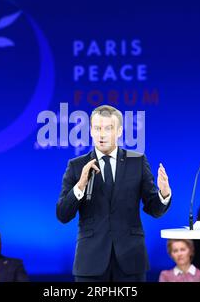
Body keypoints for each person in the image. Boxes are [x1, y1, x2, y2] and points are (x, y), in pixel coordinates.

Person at [56, 105, 172, 282]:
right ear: (91, 131)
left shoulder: (137, 161)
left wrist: (163, 193)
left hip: (131, 260)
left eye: (108, 128)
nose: (102, 134)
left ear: (119, 131)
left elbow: (153, 209)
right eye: (97, 128)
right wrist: (80, 185)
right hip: (90, 262)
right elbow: (63, 215)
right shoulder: (76, 166)